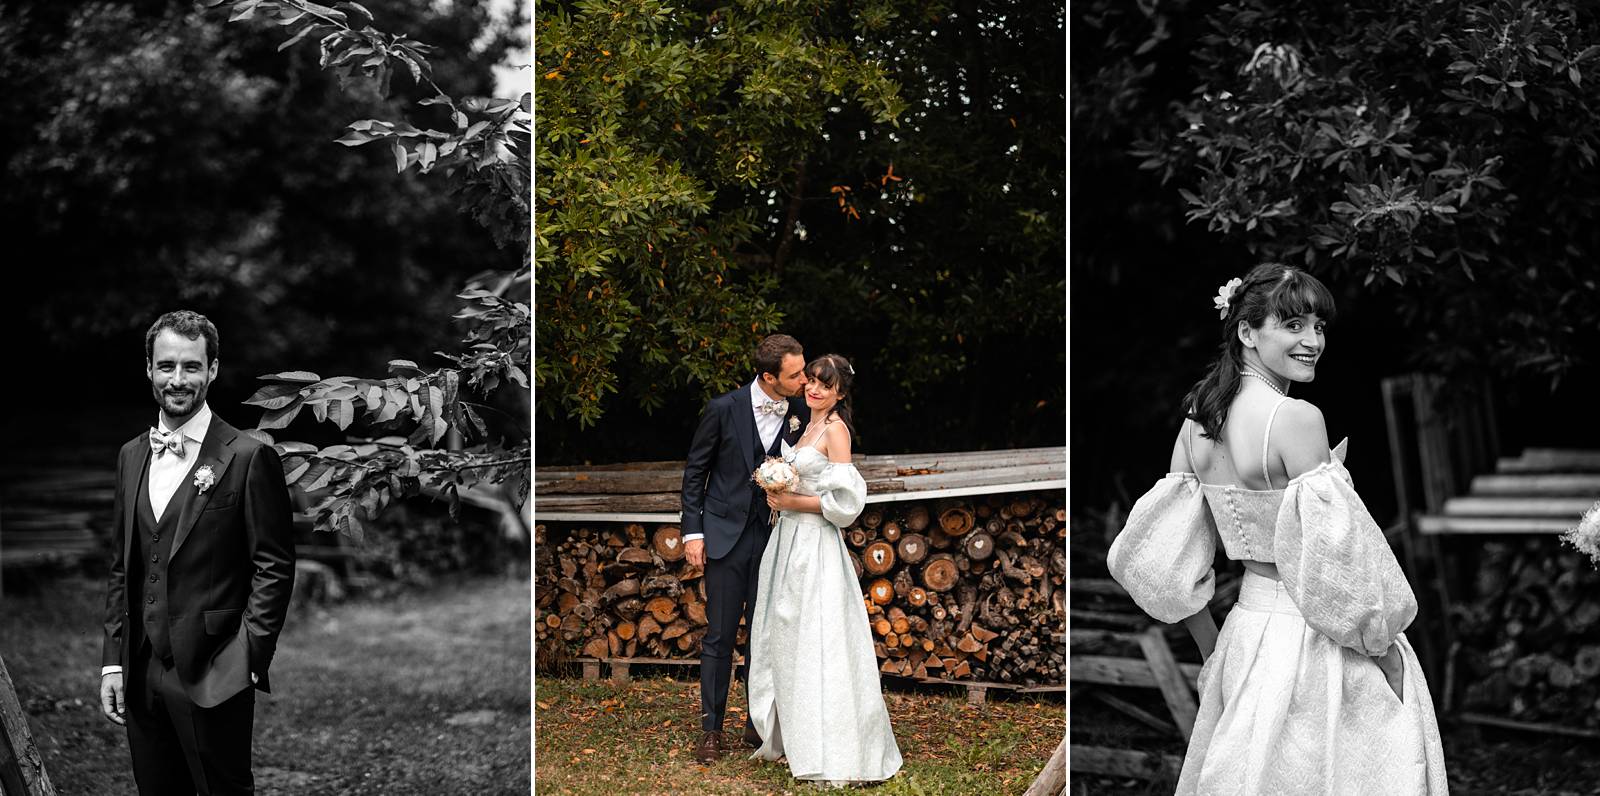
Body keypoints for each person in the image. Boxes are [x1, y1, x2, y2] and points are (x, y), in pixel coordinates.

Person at [1107, 264, 1447, 794]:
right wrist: (1383, 652)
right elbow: (1338, 562)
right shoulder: (1296, 418)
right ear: (1247, 332)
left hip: (1247, 632)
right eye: (1293, 326)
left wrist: (1213, 649)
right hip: (1324, 641)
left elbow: (1161, 562)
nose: (1312, 341)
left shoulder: (1198, 419)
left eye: (1319, 326)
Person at [99, 310, 297, 795]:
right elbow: (123, 565)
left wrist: (247, 656)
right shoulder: (131, 455)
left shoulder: (249, 457)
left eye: (191, 366)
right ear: (148, 369)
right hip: (141, 670)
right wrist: (113, 661)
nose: (178, 379)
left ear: (212, 370)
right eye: (166, 366)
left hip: (215, 670)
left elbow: (274, 566)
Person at [747, 353, 903, 784]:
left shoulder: (835, 431)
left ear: (839, 392)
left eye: (824, 385)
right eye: (811, 381)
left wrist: (793, 501)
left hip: (813, 546)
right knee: (785, 633)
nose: (814, 389)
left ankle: (833, 744)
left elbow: (845, 502)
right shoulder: (804, 424)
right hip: (788, 542)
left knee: (818, 637)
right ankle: (794, 733)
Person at [681, 333, 812, 763]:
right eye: (795, 374)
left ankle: (758, 726)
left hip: (776, 536)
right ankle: (711, 730)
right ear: (769, 376)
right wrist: (693, 534)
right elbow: (695, 473)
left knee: (766, 637)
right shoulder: (723, 409)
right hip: (724, 536)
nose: (804, 379)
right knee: (720, 636)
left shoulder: (801, 411)